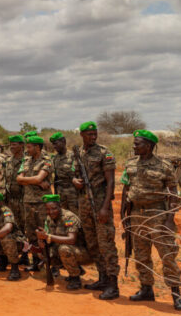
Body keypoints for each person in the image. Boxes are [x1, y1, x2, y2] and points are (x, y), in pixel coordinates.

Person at [120, 129, 181, 310]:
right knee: (141, 255)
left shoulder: (163, 166)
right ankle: (146, 289)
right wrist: (124, 216)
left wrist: (170, 218)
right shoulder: (130, 164)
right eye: (134, 143)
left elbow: (173, 192)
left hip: (157, 214)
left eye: (137, 143)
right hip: (136, 215)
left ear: (149, 146)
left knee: (167, 254)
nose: (134, 146)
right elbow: (126, 189)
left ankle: (176, 294)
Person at [72, 121, 120, 300]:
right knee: (93, 243)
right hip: (84, 205)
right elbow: (74, 175)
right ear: (82, 135)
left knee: (106, 244)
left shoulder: (104, 153)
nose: (93, 137)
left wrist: (105, 207)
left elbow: (111, 182)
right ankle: (102, 278)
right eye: (89, 134)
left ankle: (113, 285)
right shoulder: (78, 153)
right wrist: (74, 181)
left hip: (100, 204)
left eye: (95, 134)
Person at [35, 194, 90, 290]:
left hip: (83, 252)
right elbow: (48, 237)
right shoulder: (49, 219)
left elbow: (71, 240)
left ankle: (75, 279)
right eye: (48, 209)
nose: (51, 212)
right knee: (44, 253)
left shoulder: (69, 217)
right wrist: (41, 240)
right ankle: (76, 269)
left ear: (59, 206)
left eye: (54, 208)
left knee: (63, 249)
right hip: (68, 250)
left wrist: (48, 237)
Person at [16, 135, 52, 271]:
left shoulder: (47, 161)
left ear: (37, 147)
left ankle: (49, 263)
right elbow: (18, 179)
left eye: (29, 147)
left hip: (42, 203)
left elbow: (38, 178)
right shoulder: (26, 160)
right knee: (31, 234)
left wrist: (30, 180)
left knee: (44, 233)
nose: (27, 149)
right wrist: (35, 180)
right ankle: (36, 262)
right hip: (28, 201)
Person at [4, 135, 27, 262]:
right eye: (11, 144)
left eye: (15, 144)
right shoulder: (9, 161)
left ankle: (26, 254)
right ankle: (17, 254)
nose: (12, 147)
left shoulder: (26, 160)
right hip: (11, 200)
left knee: (25, 228)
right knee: (15, 227)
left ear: (21, 145)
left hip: (23, 199)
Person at [49, 132, 78, 212]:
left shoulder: (73, 156)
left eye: (56, 144)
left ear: (64, 142)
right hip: (60, 193)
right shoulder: (55, 158)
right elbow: (55, 178)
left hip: (73, 193)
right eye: (53, 144)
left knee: (75, 217)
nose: (54, 146)